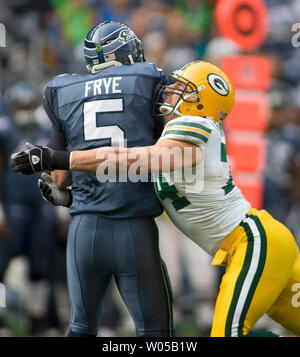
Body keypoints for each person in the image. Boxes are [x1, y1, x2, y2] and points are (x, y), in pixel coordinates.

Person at [11, 60, 300, 337]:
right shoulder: (174, 138)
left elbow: (131, 159)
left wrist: (59, 157)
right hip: (256, 243)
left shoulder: (196, 125)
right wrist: (74, 198)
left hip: (253, 241)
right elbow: (137, 183)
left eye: (182, 88)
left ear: (201, 103)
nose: (170, 90)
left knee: (227, 333)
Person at [11, 20, 175, 338]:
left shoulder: (63, 89)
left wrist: (72, 195)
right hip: (133, 226)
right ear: (127, 52)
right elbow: (163, 153)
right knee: (155, 332)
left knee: (81, 327)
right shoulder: (147, 78)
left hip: (84, 231)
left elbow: (59, 178)